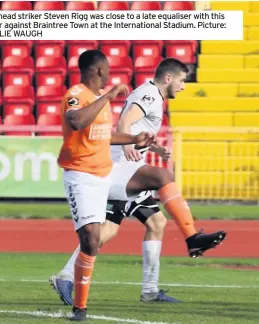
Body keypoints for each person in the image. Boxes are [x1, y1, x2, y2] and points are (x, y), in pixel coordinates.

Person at [50, 58, 226, 307]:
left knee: (151, 223)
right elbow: (124, 121)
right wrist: (131, 145)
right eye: (182, 80)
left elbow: (128, 128)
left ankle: (148, 290)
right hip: (118, 170)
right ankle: (191, 237)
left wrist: (151, 146)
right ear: (168, 78)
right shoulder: (150, 95)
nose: (183, 86)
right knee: (160, 179)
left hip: (123, 170)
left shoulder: (151, 95)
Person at [57, 49, 156, 321]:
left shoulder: (99, 101)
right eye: (108, 72)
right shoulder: (76, 95)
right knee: (90, 238)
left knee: (96, 237)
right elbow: (76, 121)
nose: (109, 77)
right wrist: (109, 96)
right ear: (99, 71)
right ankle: (80, 308)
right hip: (81, 176)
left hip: (104, 174)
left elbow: (103, 137)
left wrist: (134, 139)